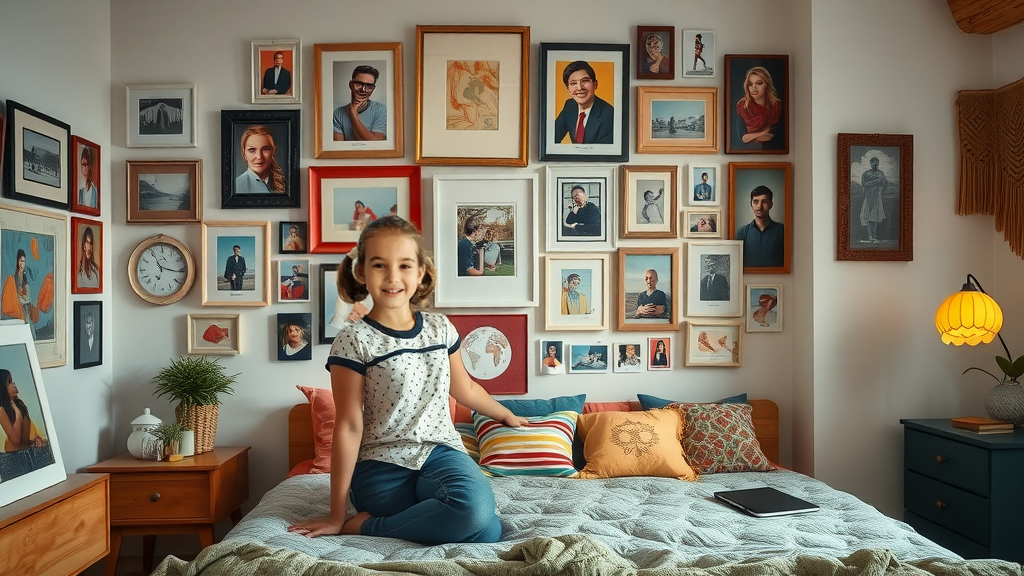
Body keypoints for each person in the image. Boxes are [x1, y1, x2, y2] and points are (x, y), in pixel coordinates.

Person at [286, 214, 528, 543]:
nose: (392, 276)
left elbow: (465, 388)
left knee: (480, 521)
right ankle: (365, 521)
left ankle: (368, 526)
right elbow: (349, 425)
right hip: (380, 465)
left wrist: (505, 414)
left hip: (441, 452)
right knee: (481, 527)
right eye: (379, 265)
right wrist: (335, 513)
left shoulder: (441, 328)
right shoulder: (353, 340)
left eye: (403, 265)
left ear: (420, 272)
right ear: (362, 272)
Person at [552, 61, 614, 145]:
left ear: (595, 84)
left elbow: (602, 155)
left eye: (585, 81)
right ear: (568, 89)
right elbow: (551, 138)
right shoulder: (570, 106)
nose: (579, 88)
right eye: (573, 83)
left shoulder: (609, 115)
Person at [735, 185, 785, 268]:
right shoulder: (741, 233)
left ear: (771, 204)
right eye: (755, 201)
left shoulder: (783, 231)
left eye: (764, 201)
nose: (759, 206)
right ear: (751, 204)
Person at [333, 65, 386, 141]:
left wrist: (353, 115)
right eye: (359, 84)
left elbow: (376, 144)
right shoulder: (338, 113)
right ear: (350, 85)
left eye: (369, 86)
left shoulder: (381, 110)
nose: (363, 89)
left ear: (373, 89)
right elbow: (338, 149)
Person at [0, 369, 45, 453]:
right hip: (13, 456)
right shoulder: (1, 410)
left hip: (26, 451)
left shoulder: (20, 404)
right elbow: (16, 440)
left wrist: (35, 439)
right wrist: (17, 412)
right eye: (9, 382)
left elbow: (25, 438)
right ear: (3, 388)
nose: (14, 383)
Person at [735, 66, 782, 147]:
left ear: (767, 84)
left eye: (759, 83)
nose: (754, 88)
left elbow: (772, 137)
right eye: (750, 84)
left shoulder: (776, 106)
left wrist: (750, 137)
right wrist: (763, 133)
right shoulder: (742, 107)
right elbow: (743, 138)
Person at [235, 125, 286, 193]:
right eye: (252, 150)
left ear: (273, 151)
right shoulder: (236, 186)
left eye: (265, 149)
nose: (259, 156)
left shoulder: (285, 184)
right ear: (244, 154)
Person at [860, 156, 888, 243]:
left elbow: (885, 184)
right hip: (868, 196)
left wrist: (879, 189)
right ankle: (870, 236)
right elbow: (864, 184)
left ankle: (874, 236)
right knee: (867, 215)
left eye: (876, 163)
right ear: (870, 163)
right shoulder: (866, 173)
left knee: (875, 216)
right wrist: (875, 183)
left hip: (877, 196)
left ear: (878, 163)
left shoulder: (881, 173)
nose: (874, 164)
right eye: (872, 163)